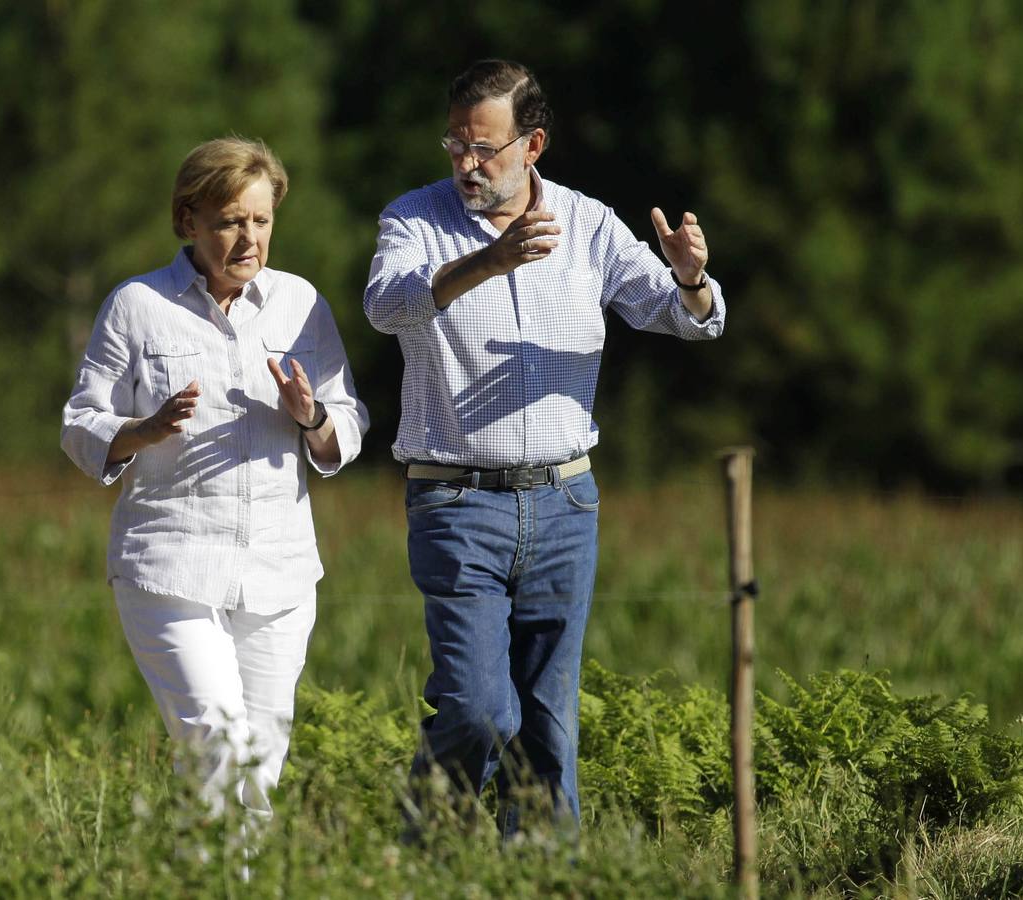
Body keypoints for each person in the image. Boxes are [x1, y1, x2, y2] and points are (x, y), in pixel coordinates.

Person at [364, 59, 726, 837]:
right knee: (475, 705)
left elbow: (681, 315)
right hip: (455, 500)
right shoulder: (412, 219)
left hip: (565, 502)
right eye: (455, 145)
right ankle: (424, 851)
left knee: (548, 723)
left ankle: (544, 877)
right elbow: (386, 306)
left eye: (483, 149)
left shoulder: (589, 225)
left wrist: (693, 280)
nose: (465, 164)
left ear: (532, 144)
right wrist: (486, 262)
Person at [62, 136, 368, 822]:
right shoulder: (137, 305)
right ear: (188, 221)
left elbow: (346, 423)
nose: (248, 237)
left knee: (257, 769)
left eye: (260, 221)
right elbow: (81, 424)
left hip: (279, 574)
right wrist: (143, 430)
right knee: (217, 745)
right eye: (230, 220)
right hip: (170, 566)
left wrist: (311, 413)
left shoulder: (300, 304)